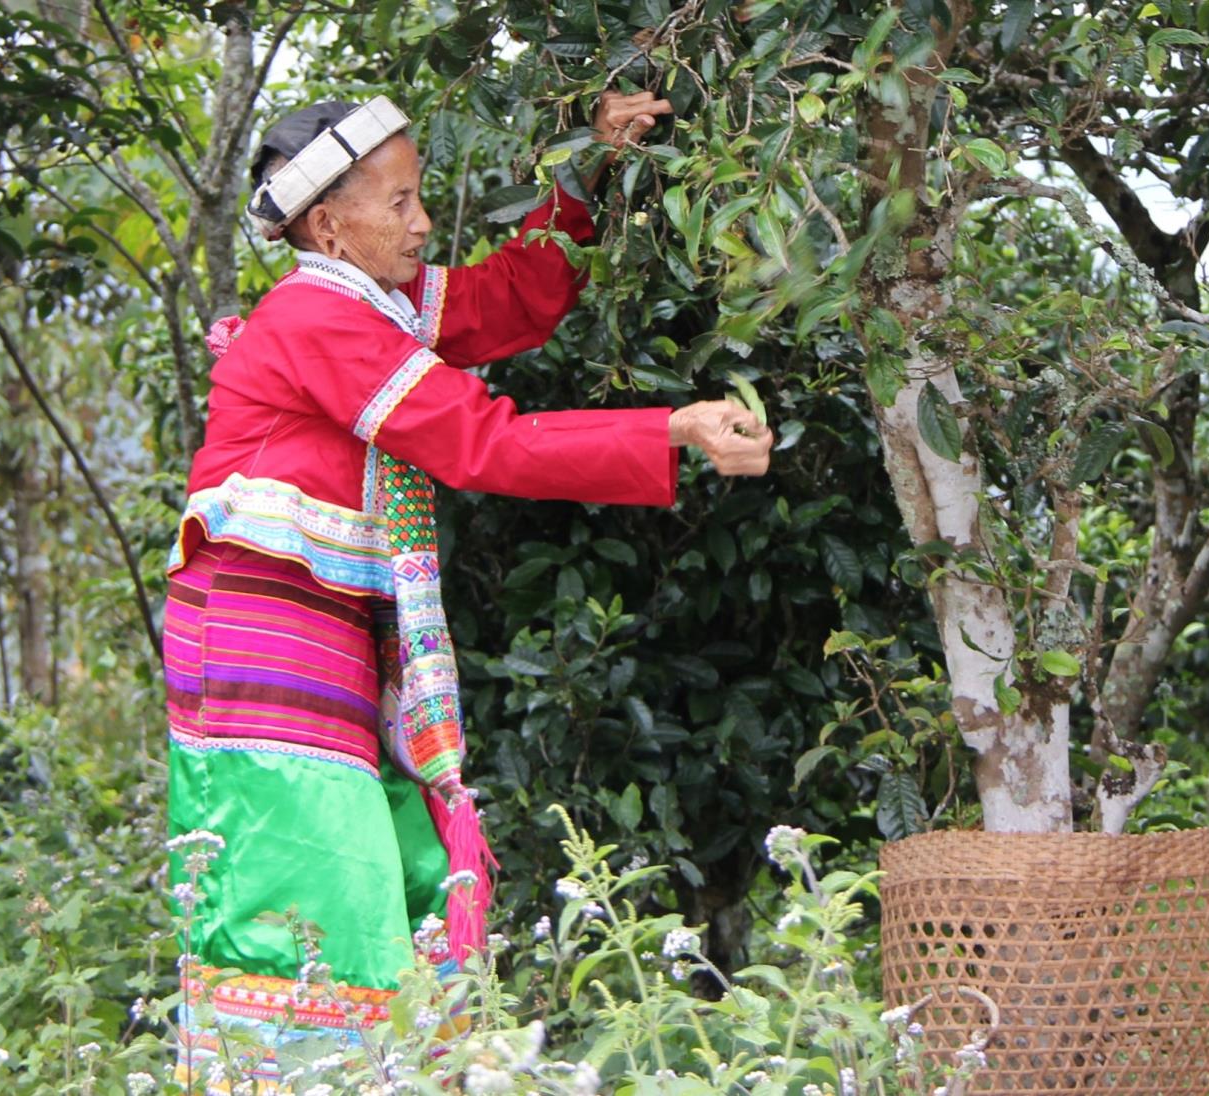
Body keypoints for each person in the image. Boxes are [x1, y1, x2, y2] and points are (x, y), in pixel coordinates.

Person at [163, 89, 772, 1087]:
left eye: (418, 197)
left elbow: (509, 300)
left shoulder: (376, 302)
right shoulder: (319, 317)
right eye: (399, 203)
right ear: (329, 227)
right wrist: (670, 428)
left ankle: (384, 1066)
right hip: (261, 631)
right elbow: (483, 442)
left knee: (388, 859)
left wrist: (588, 169)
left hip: (314, 622)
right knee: (321, 872)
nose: (420, 224)